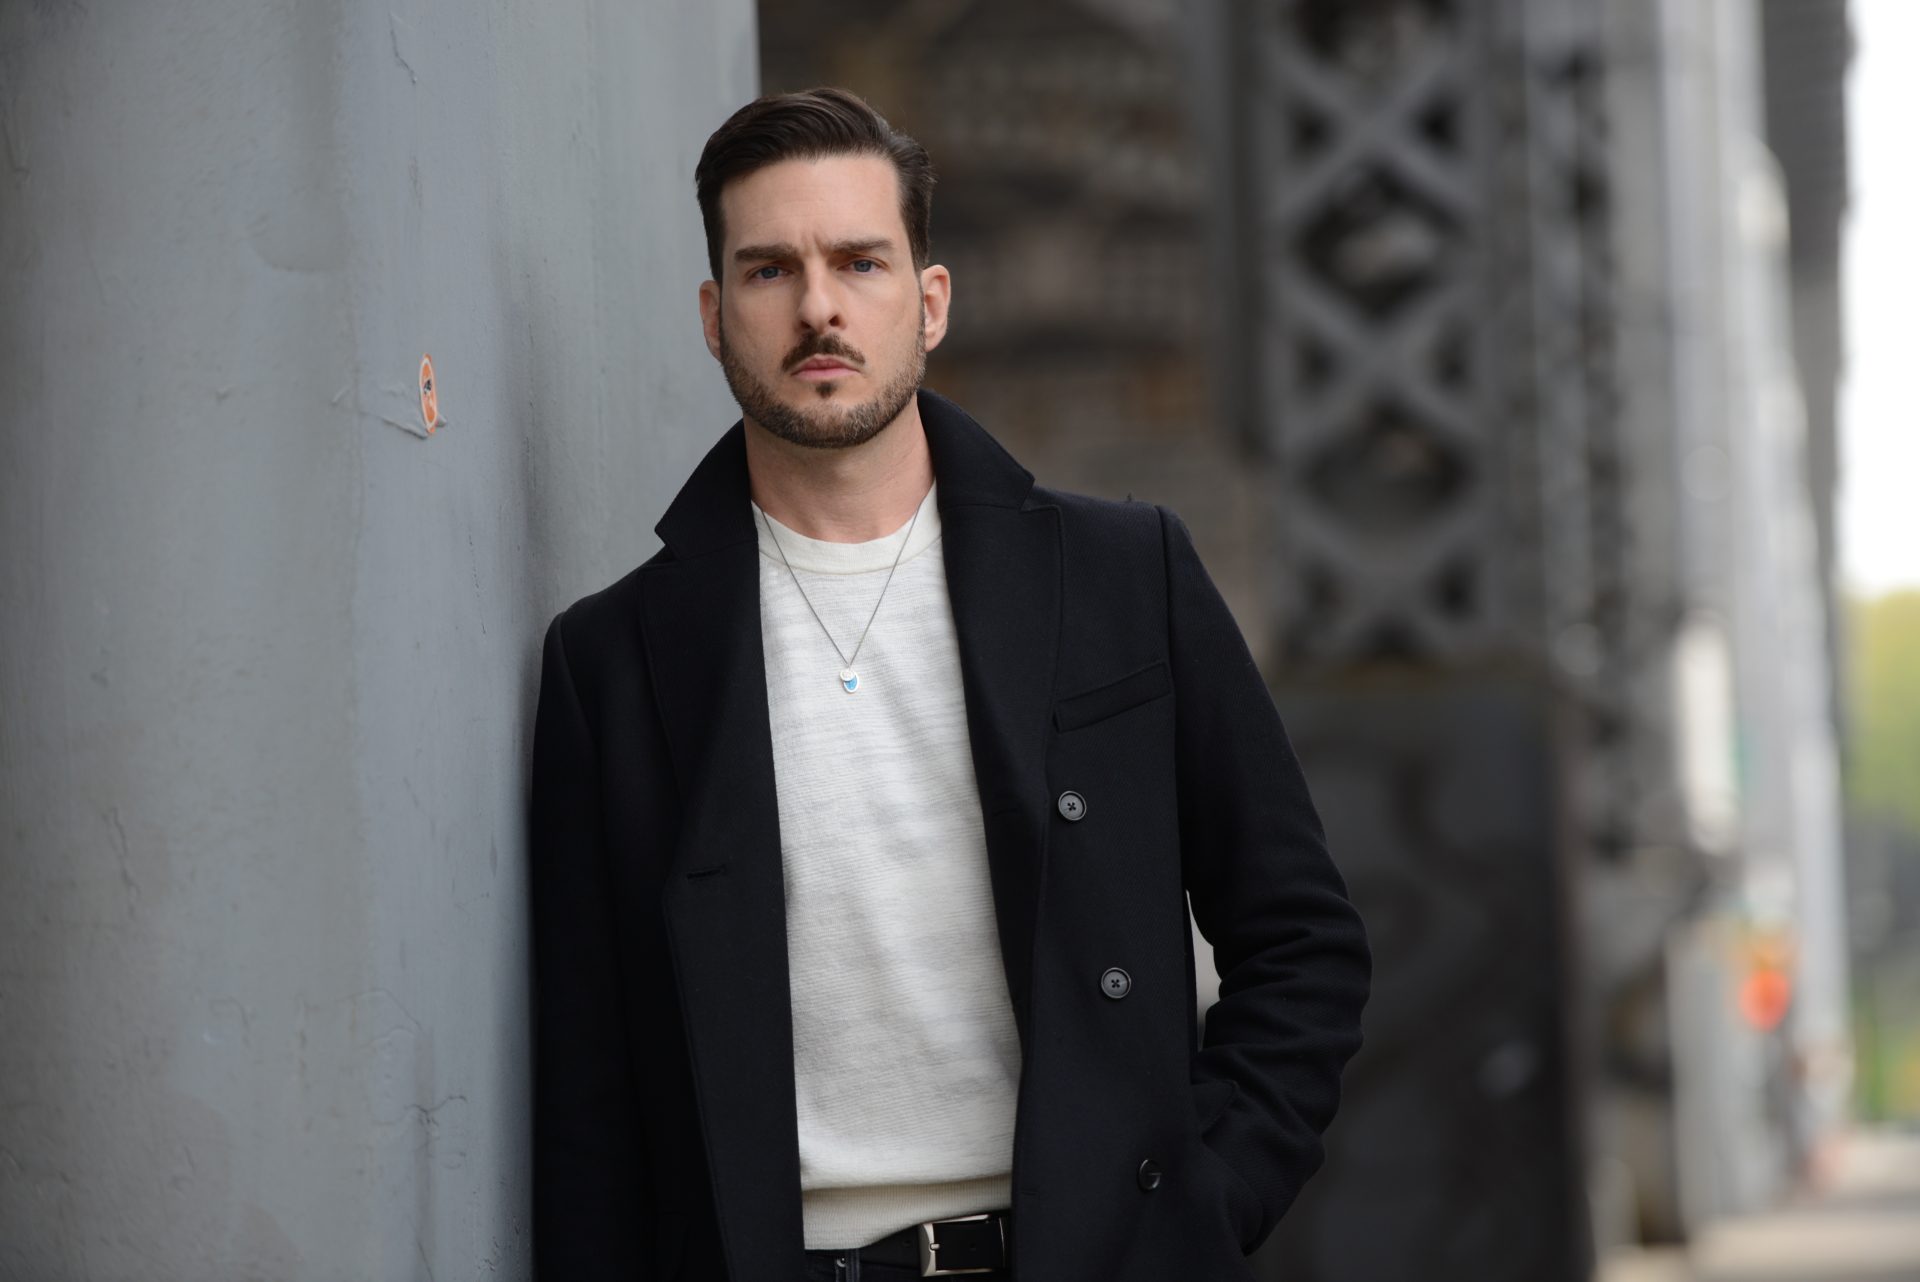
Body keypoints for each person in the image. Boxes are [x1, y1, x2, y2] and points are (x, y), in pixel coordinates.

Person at [527, 86, 1371, 1282]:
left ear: (930, 303)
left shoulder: (1124, 578)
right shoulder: (613, 661)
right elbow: (589, 1097)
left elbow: (1302, 939)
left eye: (859, 261)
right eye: (769, 270)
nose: (818, 307)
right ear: (715, 317)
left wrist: (1199, 1205)